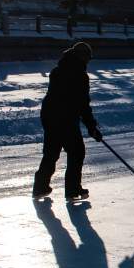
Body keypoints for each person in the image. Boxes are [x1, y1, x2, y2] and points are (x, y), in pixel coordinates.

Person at [32, 42, 103, 200]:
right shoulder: (80, 75)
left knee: (51, 153)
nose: (88, 63)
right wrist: (92, 127)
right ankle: (73, 190)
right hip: (65, 119)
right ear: (82, 57)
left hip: (49, 116)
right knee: (77, 152)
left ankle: (39, 188)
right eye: (88, 59)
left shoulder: (57, 70)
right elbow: (83, 104)